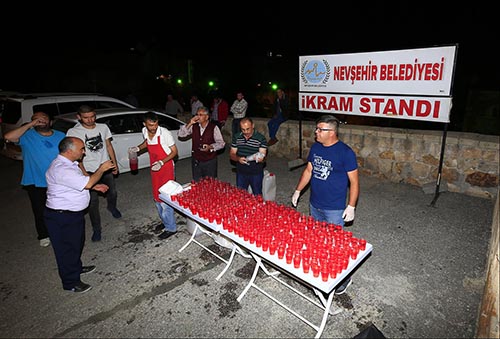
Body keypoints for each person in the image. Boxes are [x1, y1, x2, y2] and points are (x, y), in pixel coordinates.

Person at [291, 114, 359, 295]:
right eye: (317, 129)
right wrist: (298, 190)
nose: (316, 132)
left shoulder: (345, 153)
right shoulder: (315, 148)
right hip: (315, 204)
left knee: (336, 244)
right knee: (320, 240)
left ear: (332, 132)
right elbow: (309, 170)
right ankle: (323, 269)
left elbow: (354, 182)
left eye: (320, 129)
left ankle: (344, 278)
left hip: (335, 208)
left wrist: (351, 205)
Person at [44, 136, 115, 293]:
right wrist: (101, 170)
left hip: (71, 215)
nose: (84, 152)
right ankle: (70, 282)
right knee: (66, 249)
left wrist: (94, 187)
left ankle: (76, 267)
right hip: (62, 217)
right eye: (81, 149)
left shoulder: (69, 164)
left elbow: (80, 182)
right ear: (69, 151)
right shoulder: (61, 169)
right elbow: (86, 182)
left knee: (76, 244)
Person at [4, 111, 65, 247]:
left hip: (57, 179)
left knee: (60, 207)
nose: (40, 121)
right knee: (40, 209)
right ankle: (43, 235)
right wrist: (30, 125)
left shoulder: (61, 135)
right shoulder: (27, 136)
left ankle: (59, 229)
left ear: (50, 121)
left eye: (43, 118)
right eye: (35, 119)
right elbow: (8, 136)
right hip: (35, 180)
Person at [66, 105, 121, 242]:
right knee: (92, 202)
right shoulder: (73, 131)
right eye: (86, 117)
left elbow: (108, 145)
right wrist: (84, 174)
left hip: (105, 166)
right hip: (89, 170)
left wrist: (114, 164)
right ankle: (97, 229)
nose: (90, 120)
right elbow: (75, 155)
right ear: (79, 117)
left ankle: (112, 207)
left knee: (112, 192)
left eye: (92, 116)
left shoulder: (103, 127)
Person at [129, 111, 178, 240]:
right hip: (154, 167)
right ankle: (165, 221)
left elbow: (174, 152)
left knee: (165, 198)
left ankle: (171, 228)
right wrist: (138, 148)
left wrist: (162, 162)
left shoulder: (164, 133)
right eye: (150, 125)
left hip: (166, 167)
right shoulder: (145, 131)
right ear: (145, 124)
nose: (154, 128)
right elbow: (147, 142)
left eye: (155, 125)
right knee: (157, 197)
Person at [178, 106, 225, 181]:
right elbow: (180, 134)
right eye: (197, 114)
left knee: (210, 183)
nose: (197, 117)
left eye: (200, 115)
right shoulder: (194, 126)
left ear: (207, 117)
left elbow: (221, 143)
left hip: (209, 161)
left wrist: (210, 147)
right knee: (197, 182)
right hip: (196, 159)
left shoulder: (213, 127)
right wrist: (190, 123)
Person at [230, 117, 267, 195]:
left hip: (255, 171)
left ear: (253, 126)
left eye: (248, 129)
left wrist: (261, 159)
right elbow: (232, 154)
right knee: (241, 194)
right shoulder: (237, 137)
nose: (246, 132)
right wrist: (238, 158)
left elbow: (263, 156)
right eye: (243, 129)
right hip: (241, 171)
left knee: (257, 194)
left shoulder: (261, 138)